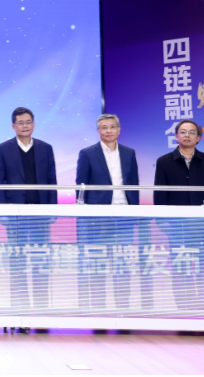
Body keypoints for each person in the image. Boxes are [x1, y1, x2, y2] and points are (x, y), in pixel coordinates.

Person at [154, 119, 204, 313]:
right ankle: (186, 311)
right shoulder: (164, 162)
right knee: (182, 271)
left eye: (192, 132)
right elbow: (159, 195)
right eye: (183, 132)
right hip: (178, 228)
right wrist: (163, 224)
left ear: (199, 138)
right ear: (176, 136)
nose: (187, 135)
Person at [74, 113, 141, 312]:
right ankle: (99, 310)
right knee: (98, 266)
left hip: (124, 215)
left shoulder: (129, 153)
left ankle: (123, 309)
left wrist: (135, 211)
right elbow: (81, 186)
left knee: (122, 266)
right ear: (98, 131)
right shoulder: (87, 153)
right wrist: (84, 216)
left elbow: (134, 183)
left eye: (112, 127)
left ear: (118, 130)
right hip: (98, 218)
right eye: (104, 127)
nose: (109, 131)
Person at [0, 107, 57, 310]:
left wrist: (52, 210)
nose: (25, 126)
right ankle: (19, 308)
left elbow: (52, 181)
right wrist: (3, 212)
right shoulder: (3, 149)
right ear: (13, 126)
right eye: (20, 123)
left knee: (41, 262)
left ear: (34, 124)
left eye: (28, 122)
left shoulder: (45, 148)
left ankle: (41, 308)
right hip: (16, 215)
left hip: (40, 214)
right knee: (17, 262)